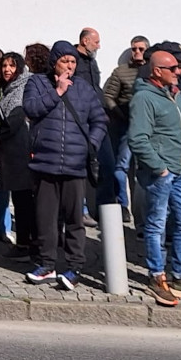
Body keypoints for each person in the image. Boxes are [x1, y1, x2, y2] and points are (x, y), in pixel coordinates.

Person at [22, 41, 109, 291]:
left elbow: (99, 120)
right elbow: (30, 109)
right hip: (44, 163)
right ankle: (47, 264)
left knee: (74, 220)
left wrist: (89, 144)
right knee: (46, 219)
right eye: (65, 61)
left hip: (74, 164)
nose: (69, 66)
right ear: (54, 63)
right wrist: (57, 91)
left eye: (73, 62)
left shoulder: (84, 88)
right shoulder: (37, 83)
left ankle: (74, 268)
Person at [127, 50, 181, 306]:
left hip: (180, 169)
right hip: (161, 173)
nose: (179, 71)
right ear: (157, 71)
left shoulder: (173, 94)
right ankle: (156, 276)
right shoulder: (144, 98)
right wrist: (160, 167)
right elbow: (138, 138)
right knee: (156, 225)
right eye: (173, 68)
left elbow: (177, 129)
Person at [102, 35, 150, 223]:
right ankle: (123, 205)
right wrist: (119, 114)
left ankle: (143, 209)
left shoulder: (153, 70)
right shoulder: (121, 72)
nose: (137, 52)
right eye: (134, 49)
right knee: (121, 166)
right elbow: (108, 96)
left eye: (141, 49)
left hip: (146, 127)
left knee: (142, 168)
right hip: (125, 126)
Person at [0, 52, 35, 261]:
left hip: (21, 152)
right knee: (21, 199)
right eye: (4, 66)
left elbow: (15, 120)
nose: (7, 70)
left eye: (12, 66)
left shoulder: (22, 87)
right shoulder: (8, 89)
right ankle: (26, 243)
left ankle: (24, 245)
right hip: (12, 153)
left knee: (23, 200)